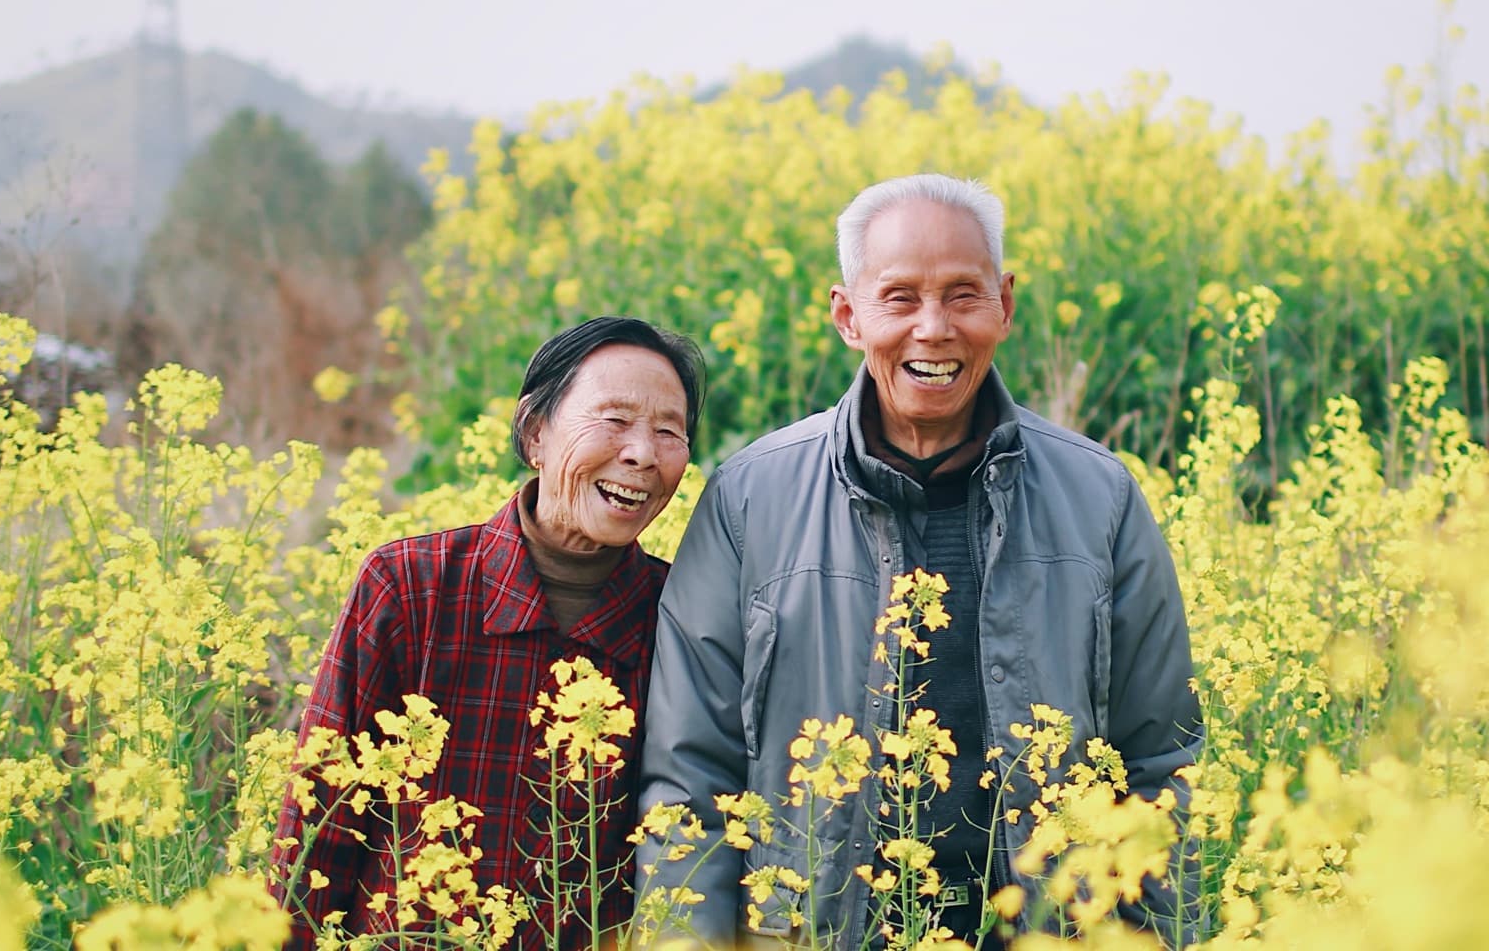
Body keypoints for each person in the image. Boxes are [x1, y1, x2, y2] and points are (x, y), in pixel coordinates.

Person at [636, 174, 1203, 948]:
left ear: (1004, 304)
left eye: (963, 295)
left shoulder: (1099, 496)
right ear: (848, 314)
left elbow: (1163, 761)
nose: (933, 329)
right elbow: (690, 778)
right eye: (899, 297)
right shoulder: (749, 500)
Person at [274, 316, 707, 950]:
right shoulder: (409, 588)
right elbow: (321, 826)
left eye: (669, 431)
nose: (643, 453)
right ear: (535, 432)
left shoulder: (682, 615)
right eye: (614, 421)